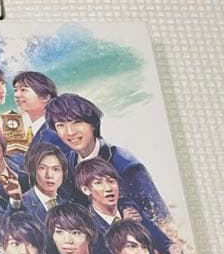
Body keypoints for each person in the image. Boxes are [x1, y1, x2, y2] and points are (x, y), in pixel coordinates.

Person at [46, 92, 171, 225]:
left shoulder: (126, 166)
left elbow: (162, 219)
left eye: (77, 122)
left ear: (93, 124)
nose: (70, 132)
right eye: (60, 125)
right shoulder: (67, 164)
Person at [73, 158, 186, 254]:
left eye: (111, 181)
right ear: (86, 190)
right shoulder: (88, 226)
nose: (108, 188)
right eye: (98, 183)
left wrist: (172, 252)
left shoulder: (128, 205)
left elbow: (160, 239)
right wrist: (125, 228)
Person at [13, 71, 65, 153]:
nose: (16, 95)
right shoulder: (23, 128)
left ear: (45, 97)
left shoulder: (57, 129)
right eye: (15, 90)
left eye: (23, 90)